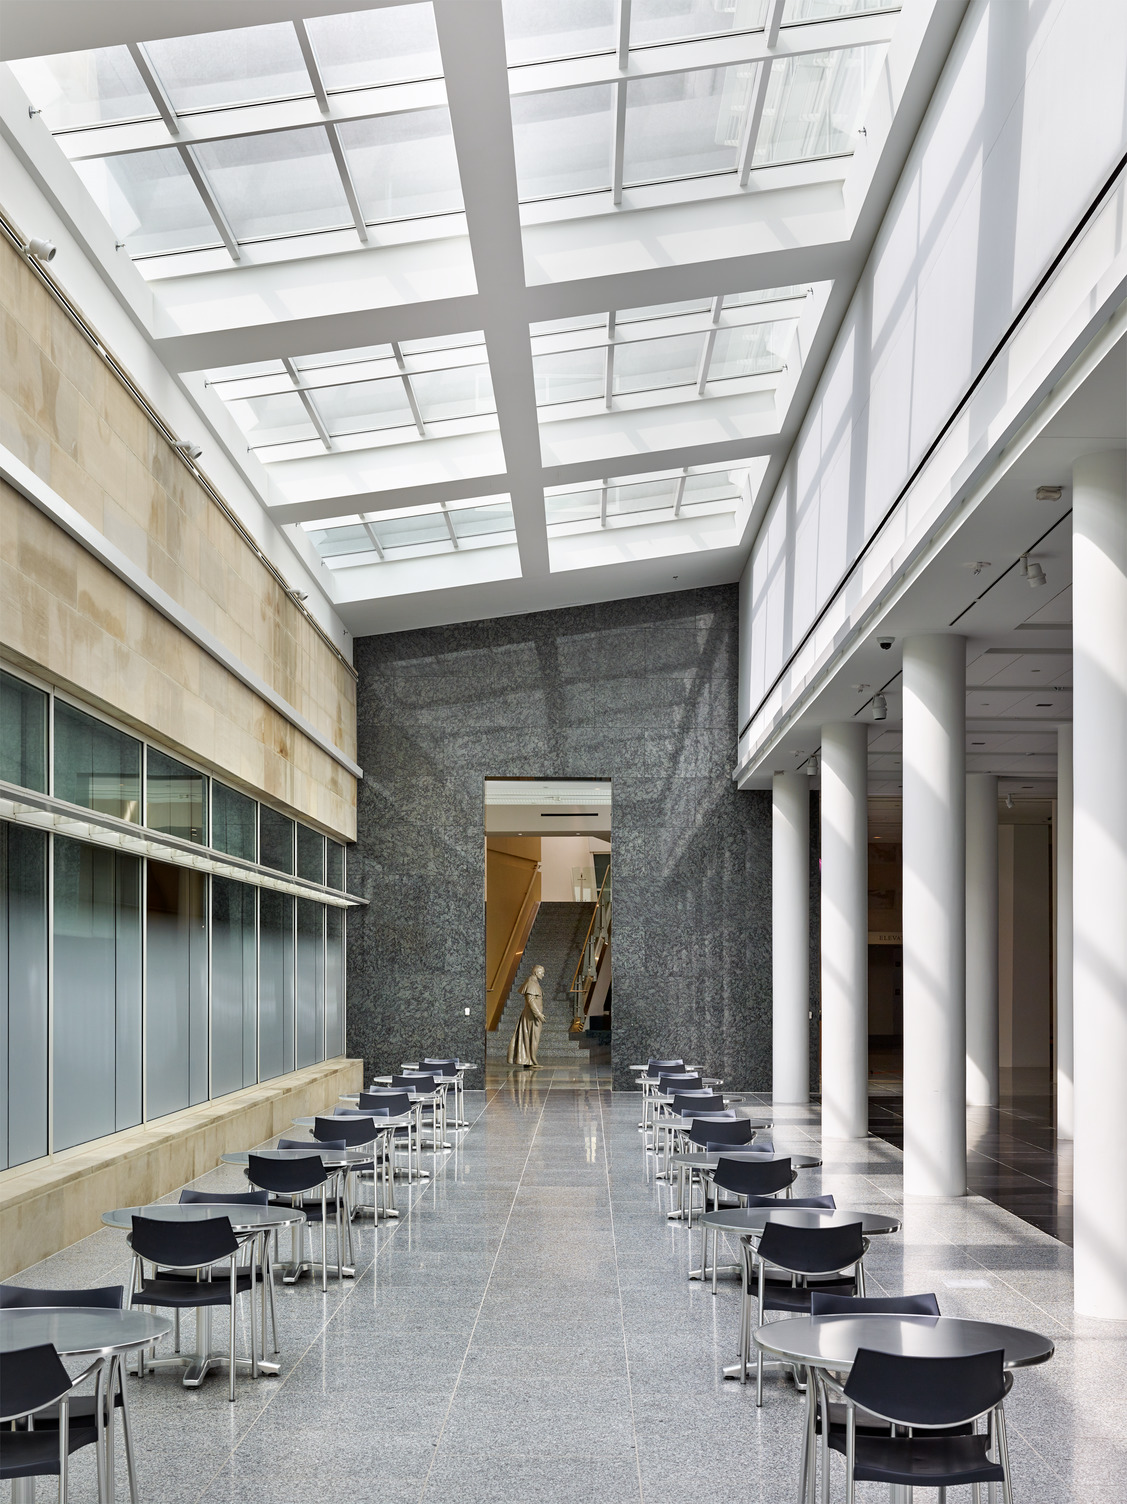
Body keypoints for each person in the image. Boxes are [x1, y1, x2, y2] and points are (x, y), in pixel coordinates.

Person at [507, 964, 546, 1068]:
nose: (543, 975)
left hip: (532, 1015)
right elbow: (531, 1001)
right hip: (532, 1016)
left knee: (529, 1037)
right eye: (542, 973)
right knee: (533, 1037)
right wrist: (538, 1014)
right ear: (536, 972)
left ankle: (529, 1060)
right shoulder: (531, 983)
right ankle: (532, 1060)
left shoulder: (533, 982)